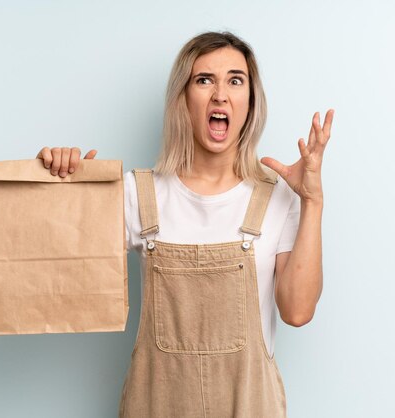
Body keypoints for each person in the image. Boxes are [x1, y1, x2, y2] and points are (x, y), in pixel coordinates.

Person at [37, 31, 333, 418]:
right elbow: (57, 269)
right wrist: (58, 179)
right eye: (204, 79)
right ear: (183, 98)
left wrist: (312, 200)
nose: (220, 94)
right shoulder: (137, 193)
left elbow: (297, 311)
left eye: (235, 80)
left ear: (250, 101)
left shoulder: (277, 198)